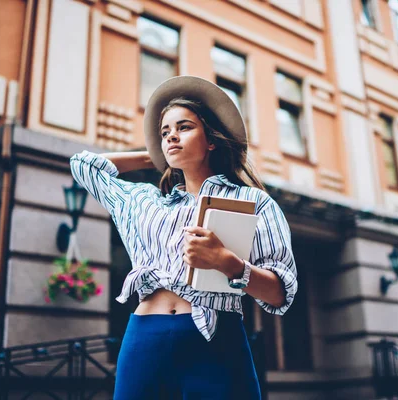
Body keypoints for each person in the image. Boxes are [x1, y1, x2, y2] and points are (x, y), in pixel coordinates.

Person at [70, 76, 298, 399]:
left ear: (211, 141)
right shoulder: (145, 202)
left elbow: (280, 293)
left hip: (215, 341)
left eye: (184, 128)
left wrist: (227, 263)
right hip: (145, 341)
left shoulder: (253, 203)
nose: (172, 136)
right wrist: (153, 155)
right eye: (165, 132)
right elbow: (84, 166)